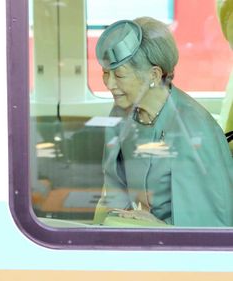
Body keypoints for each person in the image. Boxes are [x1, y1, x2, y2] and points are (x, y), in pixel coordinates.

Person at [95, 17, 233, 226]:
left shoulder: (193, 128)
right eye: (106, 74)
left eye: (120, 75)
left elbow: (211, 229)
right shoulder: (120, 114)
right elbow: (113, 193)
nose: (109, 84)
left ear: (154, 75)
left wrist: (159, 227)